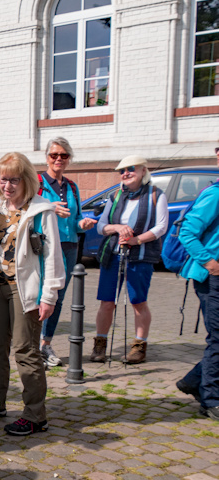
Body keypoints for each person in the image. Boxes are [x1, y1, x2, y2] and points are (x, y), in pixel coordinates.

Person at [0, 152, 64, 436]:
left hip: (25, 291)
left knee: (26, 350)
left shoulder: (41, 211)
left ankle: (35, 415)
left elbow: (52, 256)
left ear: (26, 181)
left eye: (14, 180)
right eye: (3, 178)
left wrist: (49, 296)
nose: (7, 185)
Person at [90, 156, 168, 364]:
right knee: (107, 302)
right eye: (122, 170)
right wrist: (117, 228)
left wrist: (136, 240)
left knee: (138, 301)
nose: (126, 173)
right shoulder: (116, 196)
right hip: (112, 255)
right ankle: (100, 344)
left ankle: (139, 347)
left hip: (140, 257)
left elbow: (161, 227)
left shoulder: (156, 195)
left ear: (143, 170)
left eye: (131, 169)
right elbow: (101, 226)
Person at [38, 138, 97, 366]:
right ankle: (32, 345)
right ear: (47, 158)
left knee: (59, 297)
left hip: (69, 246)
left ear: (69, 159)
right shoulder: (38, 181)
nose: (58, 159)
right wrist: (49, 207)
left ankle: (46, 344)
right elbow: (25, 207)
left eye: (63, 155)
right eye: (54, 155)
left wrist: (83, 224)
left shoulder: (72, 186)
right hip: (44, 246)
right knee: (41, 295)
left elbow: (78, 216)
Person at [176, 178, 219, 419]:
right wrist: (209, 263)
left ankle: (193, 381)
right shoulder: (215, 194)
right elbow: (188, 231)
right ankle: (211, 400)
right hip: (212, 278)